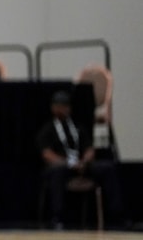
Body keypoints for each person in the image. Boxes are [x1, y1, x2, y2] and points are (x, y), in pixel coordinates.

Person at [35, 90, 126, 230]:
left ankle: (117, 216)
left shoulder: (78, 127)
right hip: (62, 166)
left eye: (66, 105)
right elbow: (47, 154)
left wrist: (84, 161)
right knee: (56, 173)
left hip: (81, 165)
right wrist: (67, 163)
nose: (64, 109)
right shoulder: (47, 130)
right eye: (60, 106)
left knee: (107, 167)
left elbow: (89, 149)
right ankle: (58, 217)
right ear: (53, 108)